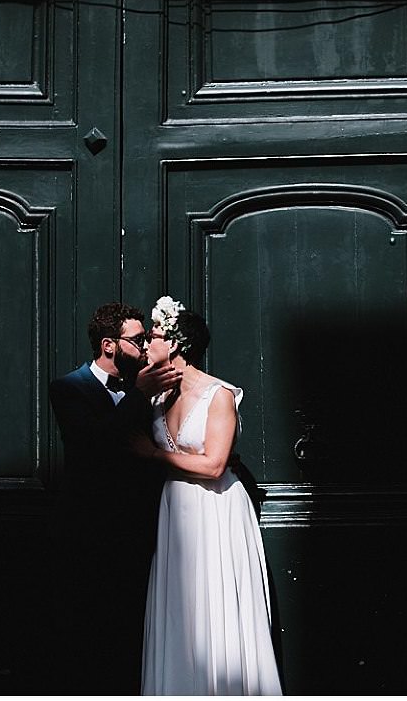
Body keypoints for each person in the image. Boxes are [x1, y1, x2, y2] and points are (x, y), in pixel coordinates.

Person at [137, 296, 282, 695]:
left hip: (213, 507)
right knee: (181, 609)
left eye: (155, 337)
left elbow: (215, 464)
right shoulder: (156, 396)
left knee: (214, 606)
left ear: (177, 345)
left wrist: (153, 453)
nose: (148, 345)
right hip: (176, 509)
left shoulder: (218, 396)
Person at [48, 302, 181, 694]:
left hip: (143, 532)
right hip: (91, 535)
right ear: (109, 345)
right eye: (137, 341)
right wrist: (139, 394)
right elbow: (95, 446)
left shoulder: (145, 389)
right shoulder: (69, 389)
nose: (144, 349)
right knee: (92, 640)